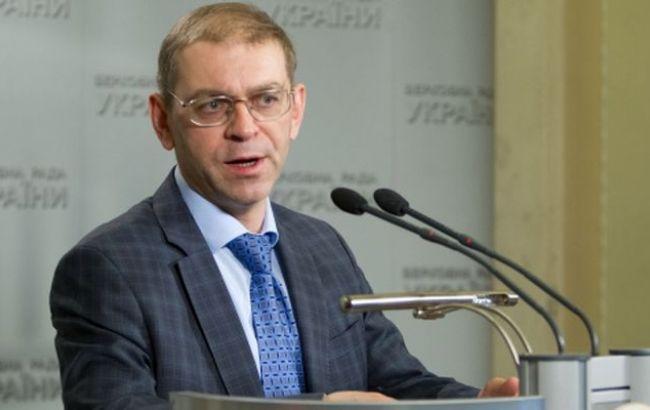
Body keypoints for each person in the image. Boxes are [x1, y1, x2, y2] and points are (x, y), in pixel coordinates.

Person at [50, 3, 518, 408]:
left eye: (266, 99)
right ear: (162, 121)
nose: (244, 128)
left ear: (295, 110)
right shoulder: (108, 269)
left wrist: (480, 405)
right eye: (213, 106)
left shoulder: (322, 246)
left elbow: (395, 382)